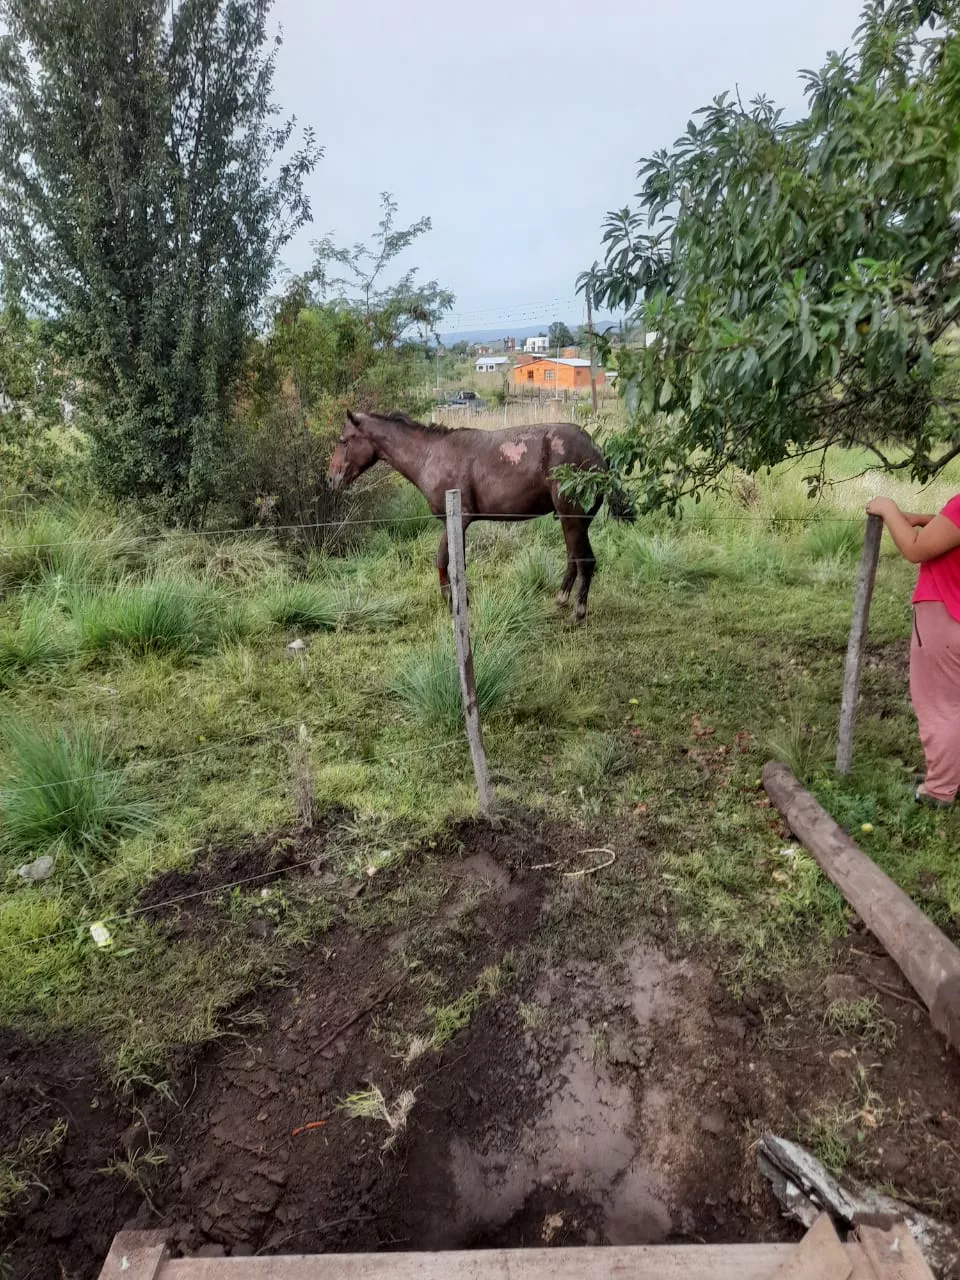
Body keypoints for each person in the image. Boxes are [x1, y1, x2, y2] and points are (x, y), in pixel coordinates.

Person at [865, 493, 960, 807]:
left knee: (941, 706)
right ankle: (948, 775)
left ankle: (939, 792)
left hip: (946, 612)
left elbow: (916, 549)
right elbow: (949, 532)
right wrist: (921, 519)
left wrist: (888, 509)